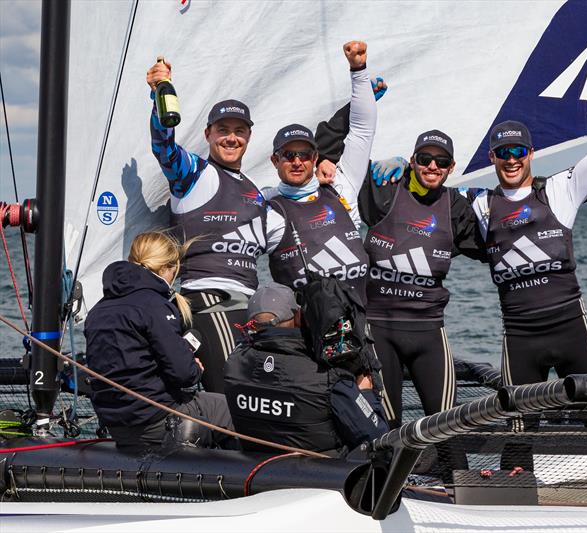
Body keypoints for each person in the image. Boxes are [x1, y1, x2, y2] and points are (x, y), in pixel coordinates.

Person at [461, 59, 587, 503]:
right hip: (520, 339)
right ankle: (510, 512)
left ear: (530, 154)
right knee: (518, 428)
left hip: (570, 328)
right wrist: (400, 172)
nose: (512, 160)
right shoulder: (480, 206)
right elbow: (428, 196)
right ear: (492, 159)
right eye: (504, 154)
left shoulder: (560, 190)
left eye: (519, 152)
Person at [316, 129, 485, 427]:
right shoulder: (385, 189)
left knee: (446, 427)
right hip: (379, 330)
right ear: (412, 160)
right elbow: (333, 148)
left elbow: (493, 248)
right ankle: (391, 476)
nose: (433, 166)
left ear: (451, 167)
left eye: (441, 161)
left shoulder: (455, 207)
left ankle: (454, 474)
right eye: (425, 159)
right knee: (387, 429)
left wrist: (490, 205)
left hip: (429, 332)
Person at [147, 60, 264, 393]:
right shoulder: (195, 174)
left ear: (249, 136)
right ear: (208, 134)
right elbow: (164, 148)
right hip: (208, 302)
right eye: (223, 130)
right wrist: (159, 94)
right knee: (233, 396)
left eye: (239, 131)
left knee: (257, 398)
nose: (231, 138)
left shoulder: (254, 189)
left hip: (248, 306)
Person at [84, 231, 234, 450]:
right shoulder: (154, 305)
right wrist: (195, 368)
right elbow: (184, 375)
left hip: (117, 425)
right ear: (166, 268)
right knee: (231, 410)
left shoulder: (98, 309)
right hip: (155, 420)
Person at [263, 41, 375, 305]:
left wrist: (358, 70)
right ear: (275, 160)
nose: (297, 162)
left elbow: (362, 129)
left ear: (316, 159)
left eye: (304, 155)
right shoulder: (265, 203)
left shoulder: (341, 184)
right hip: (302, 333)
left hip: (356, 326)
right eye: (289, 155)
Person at [224, 282, 387, 455]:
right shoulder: (327, 377)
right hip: (322, 473)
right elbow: (376, 435)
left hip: (257, 468)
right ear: (298, 317)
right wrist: (366, 394)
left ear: (251, 323)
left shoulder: (234, 364)